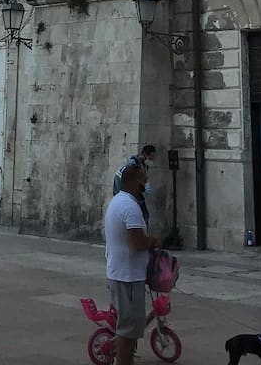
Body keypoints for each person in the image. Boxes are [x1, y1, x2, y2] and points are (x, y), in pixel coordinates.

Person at [105, 161, 160, 365]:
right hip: (127, 277)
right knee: (127, 333)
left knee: (127, 329)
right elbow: (138, 243)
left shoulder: (118, 201)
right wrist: (154, 241)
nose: (147, 186)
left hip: (123, 274)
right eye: (144, 181)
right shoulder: (130, 207)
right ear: (135, 183)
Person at [113, 143, 157, 224]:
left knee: (144, 217)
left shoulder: (142, 165)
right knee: (142, 218)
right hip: (131, 196)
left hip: (134, 196)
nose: (151, 160)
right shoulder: (133, 166)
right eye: (150, 158)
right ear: (144, 154)